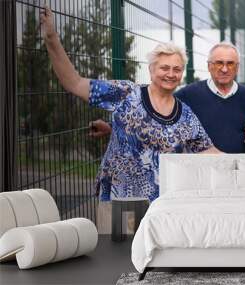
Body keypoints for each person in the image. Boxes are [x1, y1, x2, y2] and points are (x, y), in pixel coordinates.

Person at [40, 6, 220, 204]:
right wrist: (52, 38)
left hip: (160, 207)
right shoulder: (126, 93)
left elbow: (209, 152)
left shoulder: (186, 115)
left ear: (182, 73)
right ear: (151, 70)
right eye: (164, 68)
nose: (171, 74)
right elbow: (74, 82)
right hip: (117, 201)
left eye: (177, 69)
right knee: (114, 236)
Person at [90, 42, 245, 153]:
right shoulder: (188, 94)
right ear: (209, 66)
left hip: (239, 169)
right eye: (219, 63)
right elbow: (153, 114)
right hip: (199, 174)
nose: (224, 69)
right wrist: (113, 127)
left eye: (230, 63)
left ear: (237, 67)